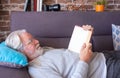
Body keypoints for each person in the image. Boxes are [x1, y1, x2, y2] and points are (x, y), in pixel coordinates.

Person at [5, 25, 106, 78]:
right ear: (21, 52)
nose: (37, 41)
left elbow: (71, 55)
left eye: (34, 38)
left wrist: (85, 35)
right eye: (30, 41)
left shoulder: (42, 51)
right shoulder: (38, 70)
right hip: (105, 69)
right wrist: (84, 61)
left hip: (102, 55)